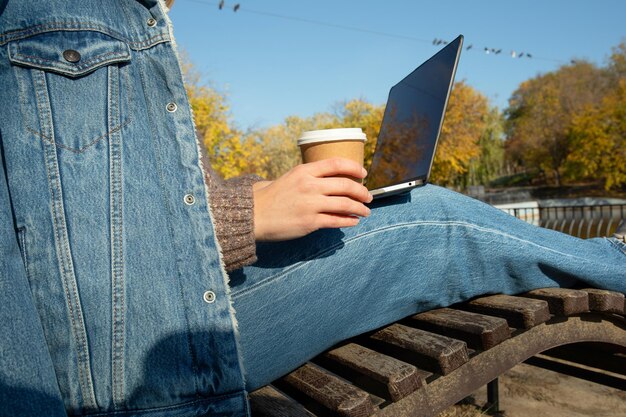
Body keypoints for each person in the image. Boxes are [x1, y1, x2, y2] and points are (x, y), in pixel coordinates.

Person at [0, 0, 624, 416]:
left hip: (161, 306)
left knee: (404, 209)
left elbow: (105, 196)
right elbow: (66, 251)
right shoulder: (62, 16)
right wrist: (249, 211)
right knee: (438, 223)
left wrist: (266, 196)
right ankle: (615, 261)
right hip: (123, 345)